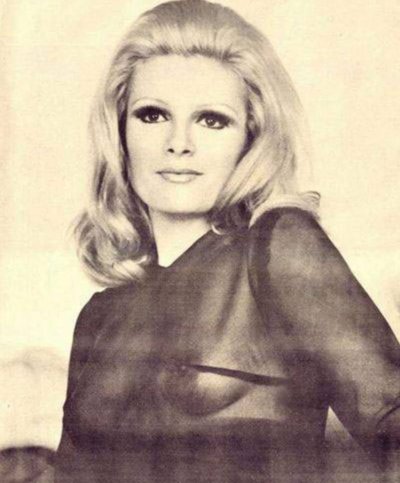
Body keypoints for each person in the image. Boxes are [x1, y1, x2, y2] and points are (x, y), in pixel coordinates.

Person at [55, 0, 400, 481]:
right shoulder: (99, 316)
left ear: (251, 137)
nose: (179, 143)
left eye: (212, 120)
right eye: (152, 115)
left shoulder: (280, 246)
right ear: (119, 131)